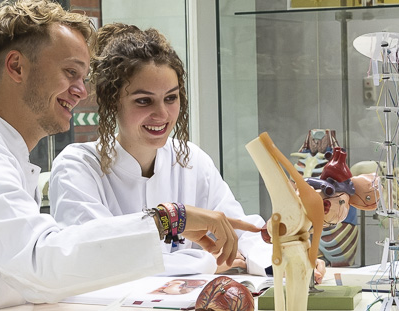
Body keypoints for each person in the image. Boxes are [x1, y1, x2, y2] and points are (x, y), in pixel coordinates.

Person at [0, 0, 258, 311]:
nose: (81, 90)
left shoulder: (3, 154)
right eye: (70, 73)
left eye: (83, 76)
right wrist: (168, 220)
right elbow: (42, 264)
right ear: (16, 67)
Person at [49, 23, 273, 276]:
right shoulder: (77, 167)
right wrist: (206, 262)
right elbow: (101, 259)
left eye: (170, 98)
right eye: (144, 101)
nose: (162, 114)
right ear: (112, 102)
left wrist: (281, 250)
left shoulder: (191, 160)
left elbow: (240, 233)